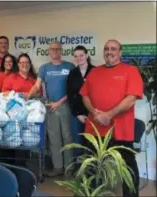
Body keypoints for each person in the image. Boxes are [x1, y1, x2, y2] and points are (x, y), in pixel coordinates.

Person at [80, 39, 143, 197]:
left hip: (120, 130)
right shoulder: (94, 72)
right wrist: (96, 114)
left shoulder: (131, 70)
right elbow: (85, 96)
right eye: (107, 49)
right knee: (91, 167)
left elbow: (131, 98)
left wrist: (109, 115)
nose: (109, 52)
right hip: (94, 129)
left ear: (120, 52)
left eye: (113, 49)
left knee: (128, 168)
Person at [27, 41, 75, 177]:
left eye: (57, 49)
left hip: (64, 105)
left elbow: (73, 89)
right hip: (50, 106)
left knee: (67, 137)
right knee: (54, 139)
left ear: (61, 51)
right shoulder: (44, 68)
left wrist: (59, 102)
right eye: (52, 49)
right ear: (49, 51)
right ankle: (58, 168)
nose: (55, 51)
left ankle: (69, 168)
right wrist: (28, 96)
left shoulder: (69, 66)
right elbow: (37, 86)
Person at [66, 45, 95, 164]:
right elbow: (69, 94)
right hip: (77, 115)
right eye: (76, 56)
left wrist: (92, 113)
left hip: (93, 114)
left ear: (87, 55)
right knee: (77, 143)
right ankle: (78, 170)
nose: (79, 58)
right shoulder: (72, 73)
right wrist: (77, 114)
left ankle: (91, 170)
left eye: (81, 55)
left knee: (92, 143)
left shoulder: (96, 71)